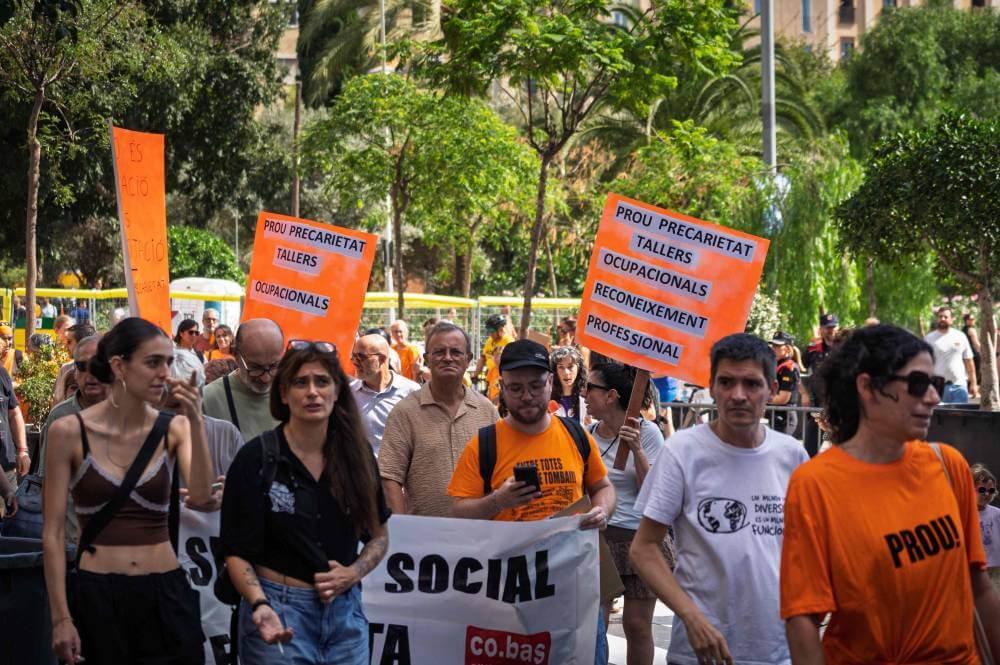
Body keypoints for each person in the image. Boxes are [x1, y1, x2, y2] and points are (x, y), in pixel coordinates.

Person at [781, 324, 1000, 662]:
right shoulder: (816, 483)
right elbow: (803, 619)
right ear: (868, 387)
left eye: (935, 384)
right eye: (917, 385)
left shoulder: (948, 465)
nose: (933, 397)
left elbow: (979, 585)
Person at [42, 317, 214, 664]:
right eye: (153, 362)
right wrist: (61, 618)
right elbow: (53, 532)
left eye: (167, 362)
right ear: (119, 366)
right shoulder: (67, 432)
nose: (165, 372)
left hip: (165, 591)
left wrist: (195, 421)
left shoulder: (175, 427)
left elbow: (201, 496)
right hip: (98, 594)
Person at [630, 333, 809, 665]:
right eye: (726, 382)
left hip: (777, 650)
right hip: (699, 652)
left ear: (772, 389)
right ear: (711, 387)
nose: (738, 395)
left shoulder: (793, 455)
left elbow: (809, 553)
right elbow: (644, 547)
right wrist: (692, 617)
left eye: (751, 384)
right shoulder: (682, 451)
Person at [220, 340, 390, 664]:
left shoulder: (358, 457)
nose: (312, 392)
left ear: (337, 391)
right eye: (300, 382)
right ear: (283, 395)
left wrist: (353, 573)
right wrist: (259, 604)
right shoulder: (255, 458)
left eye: (322, 381)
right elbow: (236, 553)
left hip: (345, 617)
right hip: (278, 612)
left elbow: (379, 536)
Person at [448, 338, 615, 665]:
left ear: (550, 383)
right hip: (510, 594)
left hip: (575, 585)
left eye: (536, 386)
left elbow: (603, 486)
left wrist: (602, 510)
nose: (526, 396)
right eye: (516, 388)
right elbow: (458, 512)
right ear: (502, 387)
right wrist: (497, 501)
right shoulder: (484, 444)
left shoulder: (575, 435)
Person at [583, 362, 670, 665]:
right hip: (600, 539)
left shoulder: (648, 433)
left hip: (639, 538)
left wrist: (637, 451)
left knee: (637, 626)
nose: (584, 393)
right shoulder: (588, 435)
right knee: (595, 624)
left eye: (590, 387)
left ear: (610, 396)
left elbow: (655, 494)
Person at [379, 322, 499, 517]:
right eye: (439, 352)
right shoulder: (404, 413)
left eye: (456, 352)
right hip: (424, 541)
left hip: (481, 538)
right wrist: (401, 530)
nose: (448, 358)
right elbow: (390, 477)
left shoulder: (487, 411)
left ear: (468, 359)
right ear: (427, 359)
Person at [38, 335, 109, 542]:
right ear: (74, 372)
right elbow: (48, 486)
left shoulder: (131, 414)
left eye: (97, 364)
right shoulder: (60, 417)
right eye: (82, 366)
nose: (90, 373)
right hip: (73, 546)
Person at [203, 319, 283, 442]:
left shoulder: (294, 392)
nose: (265, 377)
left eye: (274, 366)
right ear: (236, 355)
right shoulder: (208, 400)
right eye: (255, 367)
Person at [350, 333, 420, 456]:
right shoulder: (349, 394)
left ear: (382, 359)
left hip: (399, 473)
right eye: (353, 357)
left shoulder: (411, 392)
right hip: (362, 473)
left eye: (360, 357)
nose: (355, 362)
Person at [925, 306, 978, 403]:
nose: (942, 319)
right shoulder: (929, 338)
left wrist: (974, 383)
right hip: (937, 387)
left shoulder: (961, 336)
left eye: (945, 317)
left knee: (960, 417)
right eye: (940, 317)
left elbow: (969, 360)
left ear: (952, 319)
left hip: (959, 386)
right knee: (938, 418)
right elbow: (924, 363)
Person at [972, 463, 1000, 595]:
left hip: (996, 569)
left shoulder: (997, 514)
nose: (987, 494)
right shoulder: (963, 514)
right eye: (982, 490)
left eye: (992, 491)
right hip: (975, 569)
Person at [473, 314, 514, 403]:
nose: (489, 333)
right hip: (491, 377)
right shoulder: (490, 341)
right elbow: (483, 359)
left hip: (503, 379)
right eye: (488, 330)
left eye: (491, 330)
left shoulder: (509, 342)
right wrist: (475, 375)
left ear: (500, 329)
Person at [53, 322, 98, 405]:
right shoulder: (65, 369)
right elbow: (57, 400)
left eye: (69, 342)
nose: (66, 346)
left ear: (82, 343)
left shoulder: (105, 367)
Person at [0, 362, 28, 487]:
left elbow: (14, 414)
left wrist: (22, 451)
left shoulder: (2, 374)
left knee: (12, 504)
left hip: (6, 466)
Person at [769, 331, 800, 436]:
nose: (773, 348)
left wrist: (761, 399)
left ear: (787, 349)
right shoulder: (777, 365)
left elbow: (783, 398)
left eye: (777, 346)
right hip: (776, 415)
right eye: (773, 345)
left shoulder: (788, 368)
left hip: (785, 417)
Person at [549, 345, 588, 423]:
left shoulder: (588, 398)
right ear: (555, 370)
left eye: (570, 367)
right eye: (561, 367)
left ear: (579, 368)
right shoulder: (548, 398)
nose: (566, 373)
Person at [963, 312, 982, 388]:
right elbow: (976, 344)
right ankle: (973, 387)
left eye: (973, 319)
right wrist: (982, 352)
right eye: (970, 319)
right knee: (975, 370)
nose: (973, 320)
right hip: (973, 353)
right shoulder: (971, 330)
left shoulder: (963, 329)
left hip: (964, 354)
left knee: (966, 371)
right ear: (966, 320)